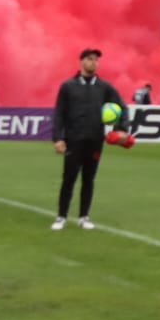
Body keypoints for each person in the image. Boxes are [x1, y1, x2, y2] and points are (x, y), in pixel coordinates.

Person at [51, 48, 126, 231]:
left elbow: (121, 107)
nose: (94, 62)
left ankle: (84, 216)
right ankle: (61, 216)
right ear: (81, 61)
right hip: (73, 139)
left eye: (96, 60)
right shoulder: (68, 86)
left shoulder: (104, 87)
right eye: (90, 59)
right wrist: (58, 138)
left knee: (89, 179)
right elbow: (59, 113)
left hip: (95, 139)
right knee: (68, 178)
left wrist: (121, 129)